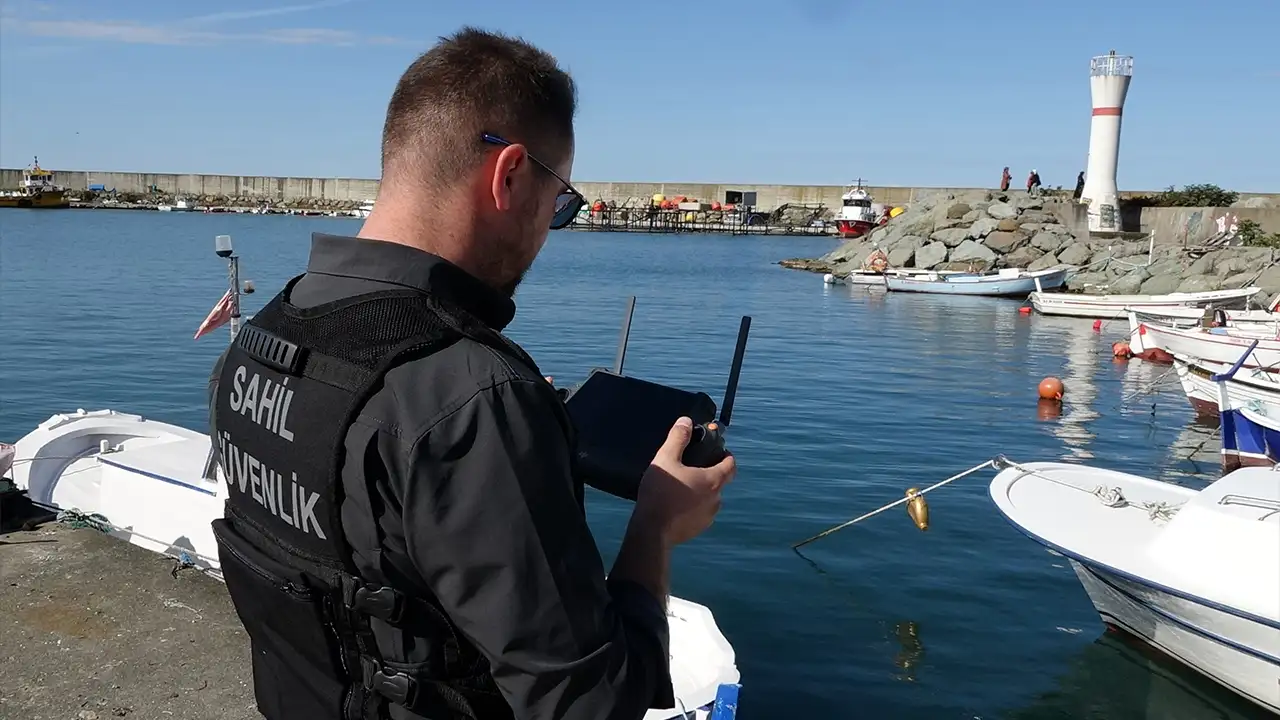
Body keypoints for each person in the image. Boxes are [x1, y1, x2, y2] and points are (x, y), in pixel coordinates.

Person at [205, 27, 737, 720]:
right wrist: (655, 526)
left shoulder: (262, 334)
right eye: (562, 204)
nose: (553, 227)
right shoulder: (470, 398)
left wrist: (500, 453)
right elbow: (591, 706)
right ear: (510, 174)